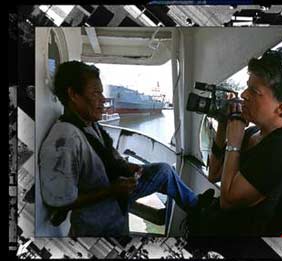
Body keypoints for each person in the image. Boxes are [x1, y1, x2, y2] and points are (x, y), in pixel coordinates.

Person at [39, 61, 214, 237]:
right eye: (95, 93)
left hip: (116, 201)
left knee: (164, 171)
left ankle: (197, 206)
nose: (103, 99)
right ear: (73, 95)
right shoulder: (64, 139)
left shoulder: (89, 125)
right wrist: (112, 190)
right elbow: (60, 203)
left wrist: (128, 168)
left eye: (101, 92)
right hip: (95, 223)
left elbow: (107, 157)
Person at [189, 47, 282, 236]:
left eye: (254, 91)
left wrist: (234, 141)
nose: (244, 95)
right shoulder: (254, 132)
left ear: (281, 106)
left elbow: (228, 201)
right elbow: (214, 174)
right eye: (247, 87)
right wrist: (224, 125)